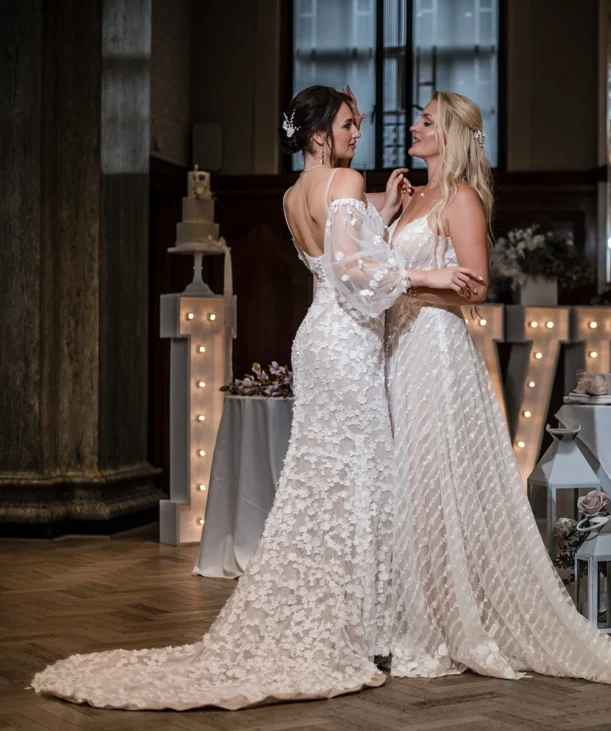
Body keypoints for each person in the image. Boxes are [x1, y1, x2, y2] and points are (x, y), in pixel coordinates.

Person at [30, 86, 482, 711]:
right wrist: (423, 273)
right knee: (361, 479)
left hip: (316, 338)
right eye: (350, 125)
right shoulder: (346, 181)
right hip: (347, 342)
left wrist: (383, 210)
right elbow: (354, 272)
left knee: (322, 480)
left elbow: (333, 255)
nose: (358, 135)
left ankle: (333, 613)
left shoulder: (295, 194)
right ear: (321, 134)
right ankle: (361, 625)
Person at [379, 91, 611, 690]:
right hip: (399, 350)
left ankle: (444, 618)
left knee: (433, 477)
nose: (415, 127)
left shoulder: (462, 199)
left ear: (449, 134)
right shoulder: (409, 197)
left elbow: (473, 287)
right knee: (406, 480)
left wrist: (408, 290)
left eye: (426, 120)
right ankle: (404, 610)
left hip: (434, 351)